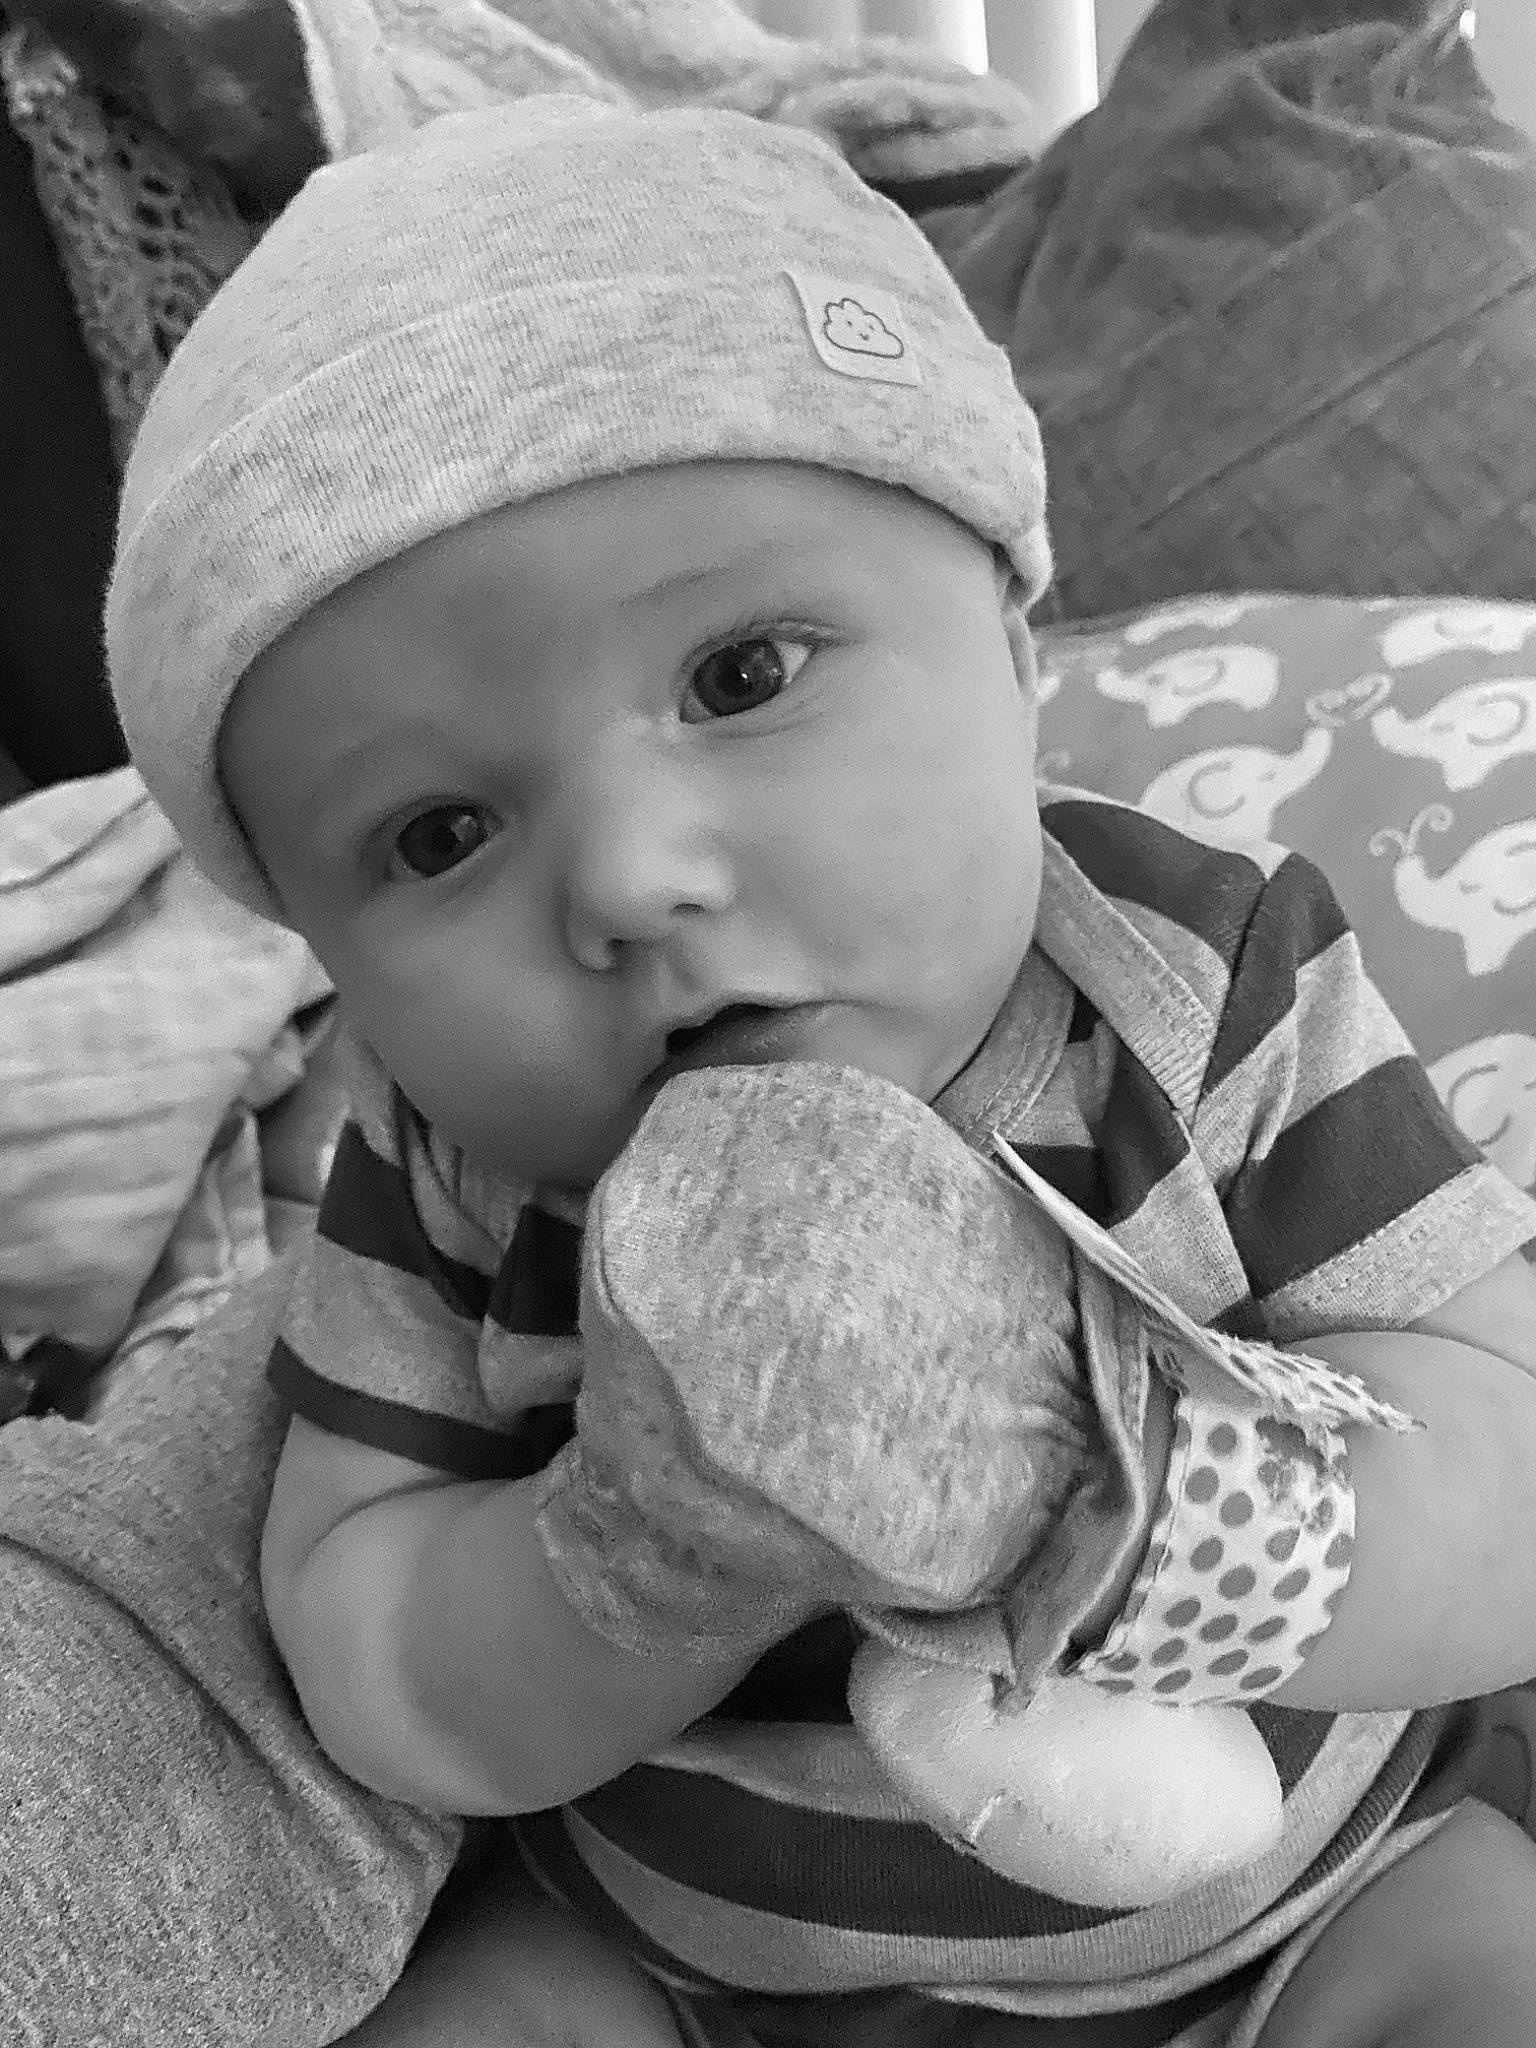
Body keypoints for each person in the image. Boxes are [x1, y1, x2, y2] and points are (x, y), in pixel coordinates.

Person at [105, 94, 1536, 2048]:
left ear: (1020, 649)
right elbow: (365, 1634)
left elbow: (1498, 1447)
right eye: (439, 836)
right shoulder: (450, 1168)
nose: (625, 875)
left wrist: (1115, 1511)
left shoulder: (1195, 978)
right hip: (700, 1974)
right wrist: (622, 1563)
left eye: (743, 677)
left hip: (1301, 1914)